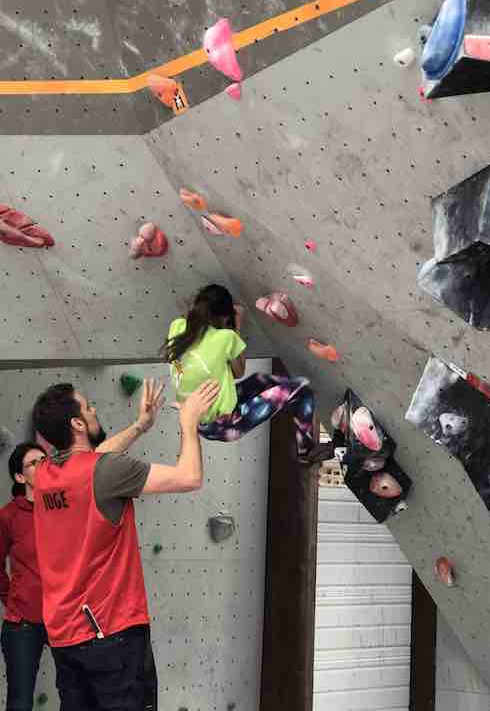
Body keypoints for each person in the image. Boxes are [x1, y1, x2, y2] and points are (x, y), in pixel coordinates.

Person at [31, 376, 219, 711]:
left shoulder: (45, 475)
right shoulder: (105, 472)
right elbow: (189, 476)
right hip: (111, 634)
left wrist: (140, 426)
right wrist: (188, 422)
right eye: (88, 407)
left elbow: (94, 458)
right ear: (77, 424)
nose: (94, 409)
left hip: (65, 637)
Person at [163, 284, 334, 465]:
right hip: (225, 424)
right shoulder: (225, 338)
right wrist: (236, 327)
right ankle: (305, 451)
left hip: (197, 417)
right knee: (302, 388)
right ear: (224, 317)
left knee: (262, 380)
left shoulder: (177, 326)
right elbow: (239, 372)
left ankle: (291, 403)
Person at [0, 442, 49, 711]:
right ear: (20, 477)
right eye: (34, 463)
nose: (43, 465)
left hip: (64, 620)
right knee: (20, 703)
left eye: (45, 459)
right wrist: (15, 600)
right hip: (23, 625)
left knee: (78, 696)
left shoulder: (62, 510)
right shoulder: (8, 516)